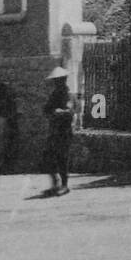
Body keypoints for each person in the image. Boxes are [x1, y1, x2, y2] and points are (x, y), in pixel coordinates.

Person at [42, 67, 74, 196]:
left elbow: (70, 111)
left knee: (62, 158)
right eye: (56, 80)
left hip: (64, 130)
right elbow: (46, 109)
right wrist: (52, 111)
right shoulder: (54, 94)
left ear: (64, 80)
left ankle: (64, 185)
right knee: (48, 156)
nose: (57, 82)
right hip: (54, 130)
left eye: (59, 80)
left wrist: (60, 112)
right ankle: (55, 183)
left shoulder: (68, 94)